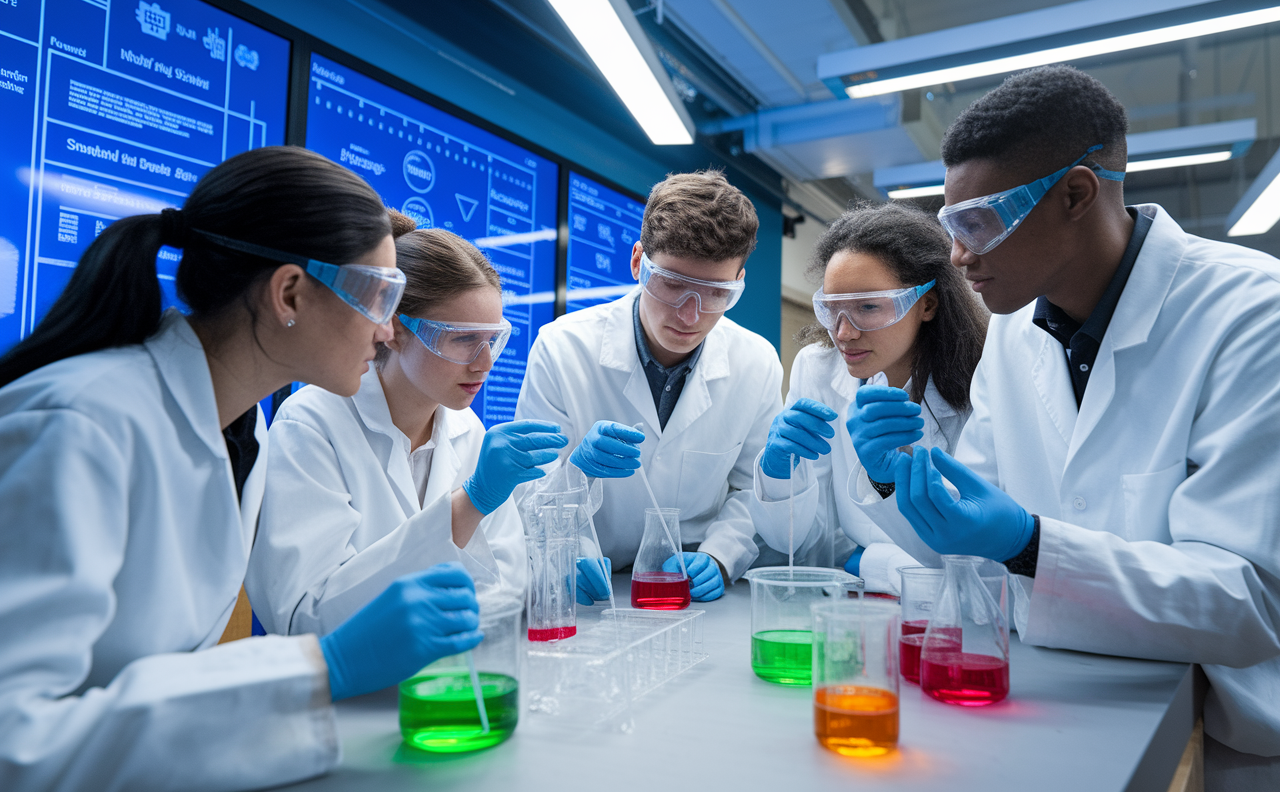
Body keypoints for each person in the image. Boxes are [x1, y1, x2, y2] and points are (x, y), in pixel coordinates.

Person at [0, 147, 485, 791]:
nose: (386, 330)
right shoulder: (81, 424)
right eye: (377, 295)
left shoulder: (240, 427)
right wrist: (323, 668)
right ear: (290, 292)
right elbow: (14, 742)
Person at [852, 65, 1280, 789]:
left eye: (977, 221)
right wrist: (904, 485)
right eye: (950, 226)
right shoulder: (1015, 338)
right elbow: (974, 563)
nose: (957, 255)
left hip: (1215, 728)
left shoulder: (1251, 315)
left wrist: (1029, 544)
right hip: (1055, 701)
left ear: (1076, 194)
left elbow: (1248, 602)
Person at [248, 219, 564, 635]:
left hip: (454, 678)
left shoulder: (469, 431)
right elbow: (306, 615)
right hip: (346, 694)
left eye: (493, 339)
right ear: (395, 330)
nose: (485, 363)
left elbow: (506, 590)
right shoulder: (311, 424)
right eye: (464, 339)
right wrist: (468, 504)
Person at [516, 170, 782, 603]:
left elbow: (752, 486)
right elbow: (530, 487)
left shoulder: (757, 363)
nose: (689, 315)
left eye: (716, 293)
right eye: (673, 284)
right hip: (590, 589)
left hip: (688, 592)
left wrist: (719, 555)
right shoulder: (562, 347)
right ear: (639, 261)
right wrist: (568, 551)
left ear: (740, 283)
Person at [748, 202, 986, 592]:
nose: (844, 333)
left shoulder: (978, 382)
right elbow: (800, 542)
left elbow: (966, 561)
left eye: (868, 308)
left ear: (926, 304)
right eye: (832, 310)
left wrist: (868, 562)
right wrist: (778, 474)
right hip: (848, 608)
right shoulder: (818, 369)